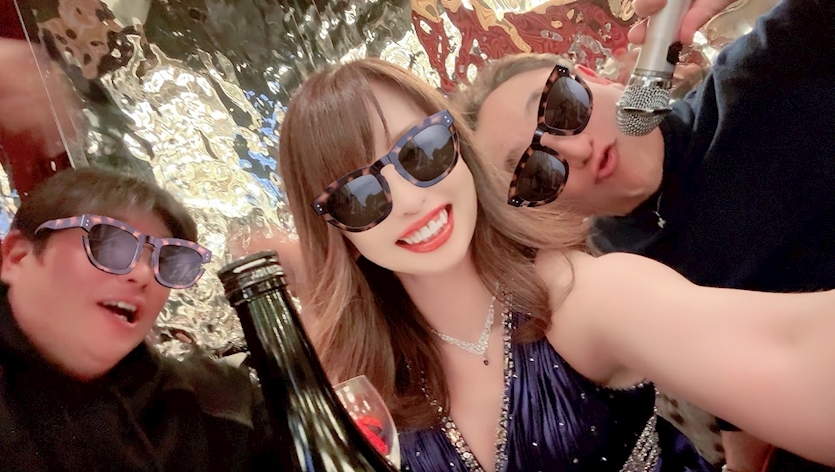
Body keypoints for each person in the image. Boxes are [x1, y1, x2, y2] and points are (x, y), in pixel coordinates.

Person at [277, 50, 835, 472]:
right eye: (358, 196)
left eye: (421, 152)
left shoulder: (580, 297)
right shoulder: (361, 388)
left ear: (460, 150)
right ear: (337, 231)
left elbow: (791, 353)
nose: (409, 200)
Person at [455, 0, 835, 469]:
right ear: (539, 206)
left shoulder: (767, 69)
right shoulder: (611, 271)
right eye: (535, 170)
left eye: (563, 105)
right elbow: (728, 366)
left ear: (595, 78)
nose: (577, 149)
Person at [0, 167, 277, 471]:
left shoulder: (222, 405)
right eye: (109, 244)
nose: (143, 274)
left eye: (166, 260)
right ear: (18, 257)